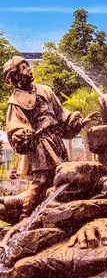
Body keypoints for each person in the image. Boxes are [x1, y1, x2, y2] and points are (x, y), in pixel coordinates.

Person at [2, 56, 99, 218]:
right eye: (24, 68)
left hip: (56, 141)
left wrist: (79, 121)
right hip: (40, 145)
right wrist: (24, 134)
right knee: (41, 180)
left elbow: (62, 114)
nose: (29, 70)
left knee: (64, 176)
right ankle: (25, 218)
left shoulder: (45, 90)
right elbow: (15, 127)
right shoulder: (16, 101)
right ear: (15, 76)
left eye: (28, 66)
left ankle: (60, 213)